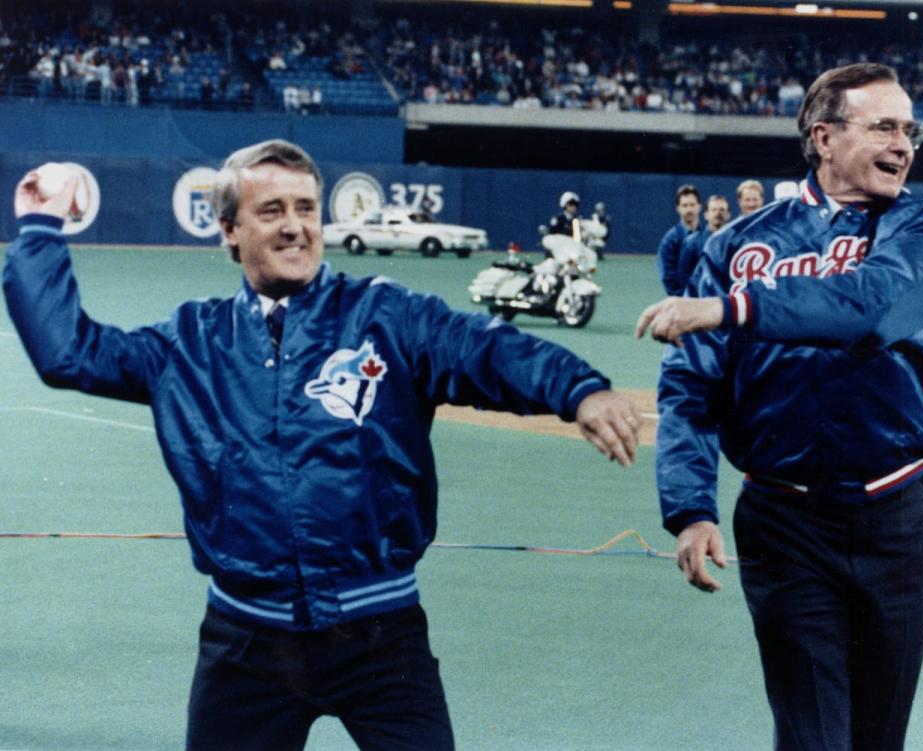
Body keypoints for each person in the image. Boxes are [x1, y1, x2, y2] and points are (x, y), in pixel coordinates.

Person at [4, 139, 643, 751]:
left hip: (381, 635)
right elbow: (70, 353)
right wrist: (39, 230)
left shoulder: (385, 316)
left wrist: (579, 390)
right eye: (271, 210)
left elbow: (484, 349)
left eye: (306, 209)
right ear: (229, 230)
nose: (294, 227)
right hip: (246, 645)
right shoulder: (189, 344)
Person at [635, 63, 923, 751]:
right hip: (785, 526)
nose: (904, 145)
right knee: (813, 737)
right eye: (884, 127)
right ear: (824, 137)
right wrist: (690, 507)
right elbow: (691, 386)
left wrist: (732, 307)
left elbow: (874, 308)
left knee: (878, 740)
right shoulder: (736, 245)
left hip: (895, 520)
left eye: (910, 130)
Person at [676, 194, 729, 292]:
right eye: (713, 210)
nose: (718, 213)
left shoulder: (733, 242)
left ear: (728, 215)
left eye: (722, 210)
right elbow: (684, 276)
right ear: (706, 215)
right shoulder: (692, 242)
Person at [656, 184, 702, 296]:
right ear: (678, 209)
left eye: (692, 205)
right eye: (684, 205)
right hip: (683, 302)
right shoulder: (670, 240)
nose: (689, 209)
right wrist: (684, 299)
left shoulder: (708, 236)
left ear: (699, 206)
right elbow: (667, 276)